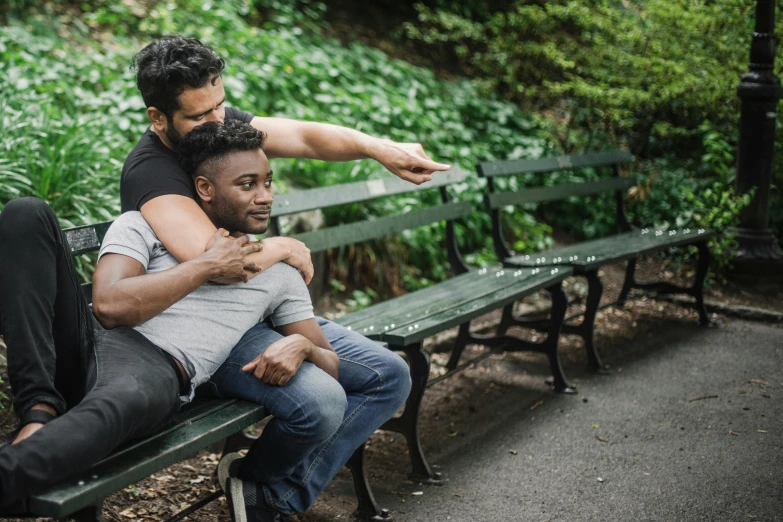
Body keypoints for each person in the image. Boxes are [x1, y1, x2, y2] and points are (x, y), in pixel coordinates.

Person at [0, 121, 411, 521]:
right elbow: (109, 307)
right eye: (248, 185)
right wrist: (206, 264)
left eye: (268, 182)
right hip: (89, 339)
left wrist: (303, 346)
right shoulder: (145, 224)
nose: (265, 196)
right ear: (205, 189)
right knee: (26, 213)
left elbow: (331, 364)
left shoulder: (278, 274)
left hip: (156, 365)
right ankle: (38, 412)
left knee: (113, 408)